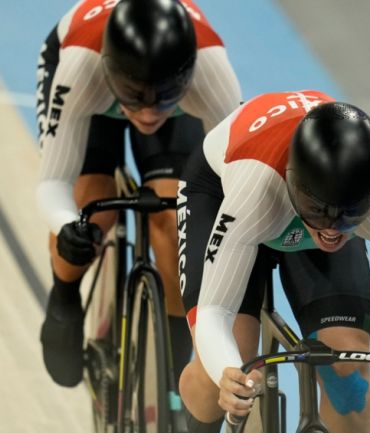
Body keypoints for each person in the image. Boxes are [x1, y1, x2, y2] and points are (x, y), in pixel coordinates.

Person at [176, 90, 370, 433]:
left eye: (350, 216)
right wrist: (227, 371)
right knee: (229, 366)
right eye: (320, 214)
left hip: (315, 195)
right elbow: (215, 312)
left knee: (349, 380)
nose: (332, 231)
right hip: (224, 193)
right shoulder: (255, 187)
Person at [36, 0, 241, 388]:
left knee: (173, 222)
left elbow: (232, 178)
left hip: (175, 112)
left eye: (162, 97)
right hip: (92, 100)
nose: (148, 115)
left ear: (186, 76)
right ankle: (64, 296)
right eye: (135, 98)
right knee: (91, 209)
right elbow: (54, 182)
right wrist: (67, 227)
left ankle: (171, 364)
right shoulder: (80, 67)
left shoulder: (211, 71)